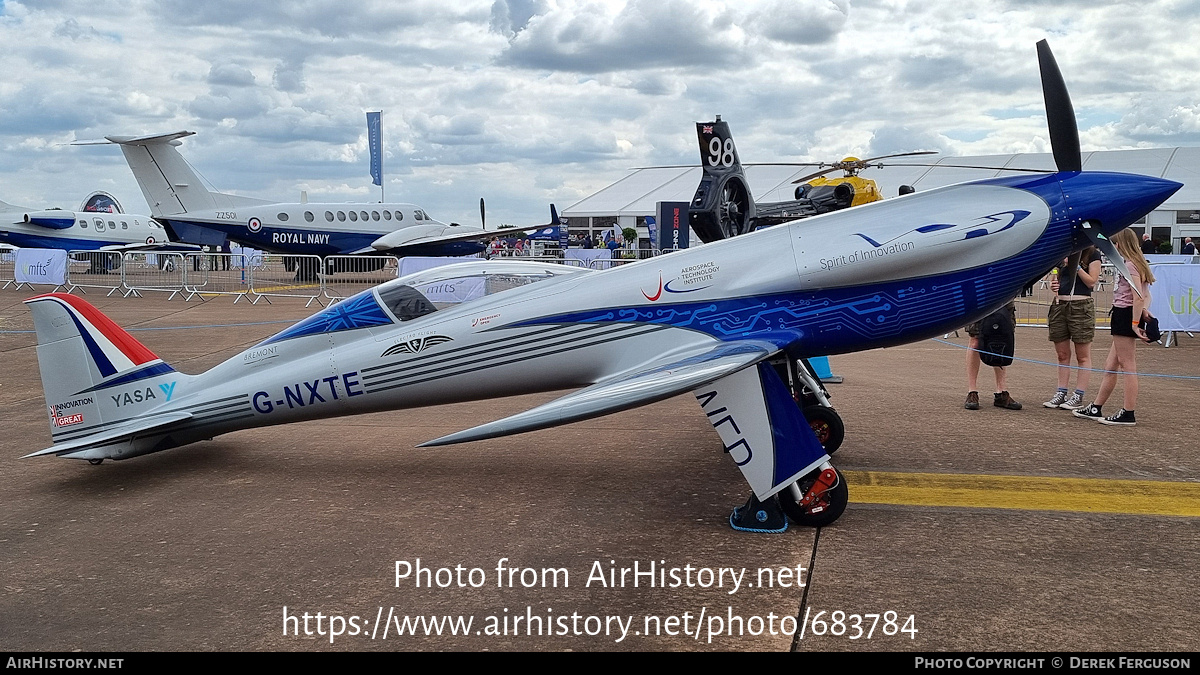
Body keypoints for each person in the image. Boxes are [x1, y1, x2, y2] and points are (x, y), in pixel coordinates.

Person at [1073, 228, 1154, 426]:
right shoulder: (1135, 263)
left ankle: (1128, 412)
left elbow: (1138, 296)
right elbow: (1145, 295)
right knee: (1111, 365)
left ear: (1119, 244)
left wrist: (1135, 323)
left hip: (1125, 315)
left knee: (1128, 365)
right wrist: (1144, 311)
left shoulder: (1130, 265)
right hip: (1125, 313)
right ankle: (1096, 406)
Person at [1043, 247, 1102, 410]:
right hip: (1059, 304)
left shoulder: (1092, 253)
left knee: (1082, 355)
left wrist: (1075, 266)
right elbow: (1054, 276)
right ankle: (1061, 392)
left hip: (1081, 305)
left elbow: (1092, 281)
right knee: (1062, 354)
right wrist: (1053, 283)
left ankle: (1078, 394)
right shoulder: (1063, 251)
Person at [963, 300, 1021, 411]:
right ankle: (972, 392)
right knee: (975, 341)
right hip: (981, 296)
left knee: (1002, 339)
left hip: (1005, 296)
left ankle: (1001, 393)